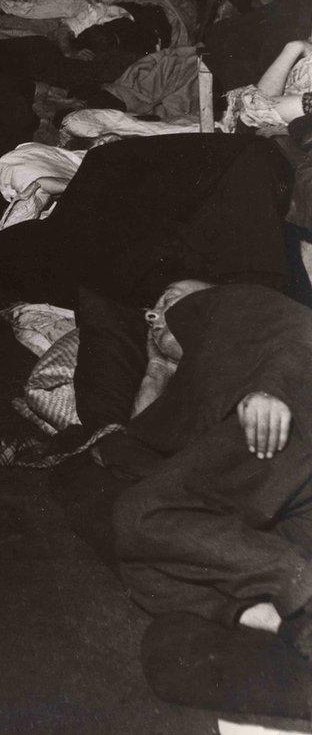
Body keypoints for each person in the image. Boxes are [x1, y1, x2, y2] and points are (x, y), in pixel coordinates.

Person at [110, 281, 312, 661]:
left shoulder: (238, 302)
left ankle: (297, 585)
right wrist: (156, 368)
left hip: (285, 420)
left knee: (139, 516)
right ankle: (280, 622)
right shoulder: (195, 376)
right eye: (150, 315)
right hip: (281, 489)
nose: (156, 316)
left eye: (169, 299)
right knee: (141, 571)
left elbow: (299, 332)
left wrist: (271, 390)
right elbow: (139, 435)